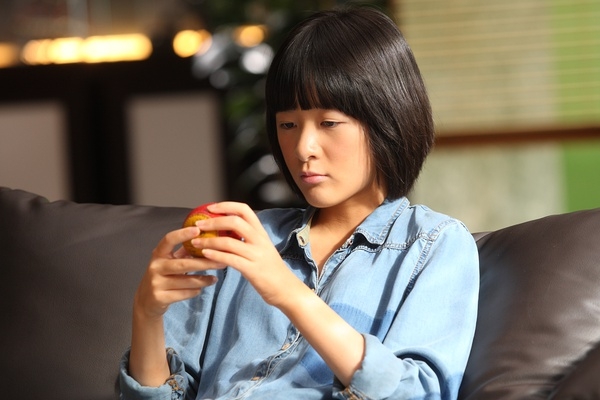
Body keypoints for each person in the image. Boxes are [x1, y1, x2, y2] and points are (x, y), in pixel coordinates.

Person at [119, 6, 479, 400]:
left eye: (328, 123)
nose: (303, 148)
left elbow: (416, 394)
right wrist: (146, 314)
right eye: (287, 124)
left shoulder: (434, 245)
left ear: (387, 119)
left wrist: (287, 292)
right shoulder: (242, 237)